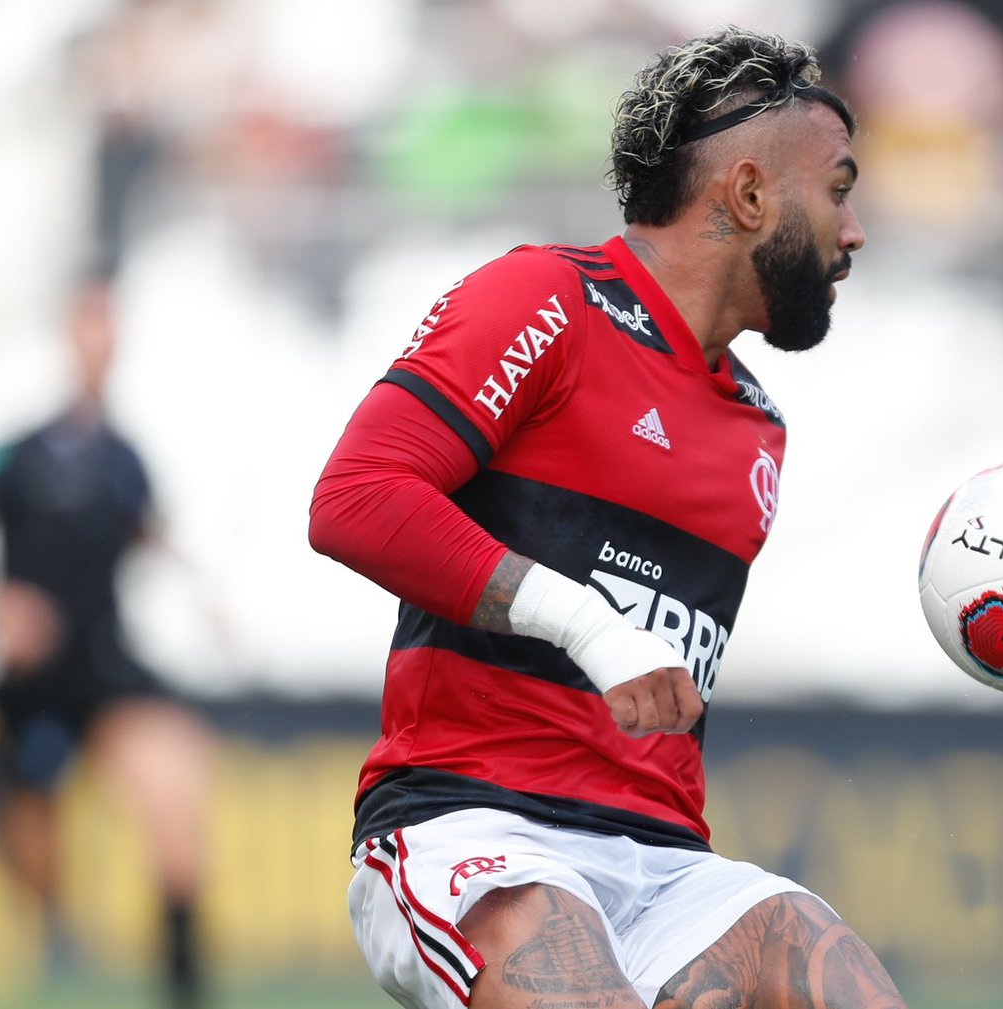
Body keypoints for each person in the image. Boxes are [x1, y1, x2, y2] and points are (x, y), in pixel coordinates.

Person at [308, 26, 900, 1009]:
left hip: (665, 863)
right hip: (478, 825)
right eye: (837, 190)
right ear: (749, 194)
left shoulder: (758, 427)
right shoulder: (545, 297)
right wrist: (585, 620)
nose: (854, 231)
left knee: (830, 966)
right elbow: (356, 498)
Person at [0, 278, 212, 1009]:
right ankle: (56, 933)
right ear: (69, 334)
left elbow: (153, 535)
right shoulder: (14, 453)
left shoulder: (125, 459)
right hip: (31, 678)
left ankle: (182, 983)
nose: (100, 340)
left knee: (175, 784)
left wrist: (208, 601)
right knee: (23, 814)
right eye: (90, 323)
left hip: (103, 660)